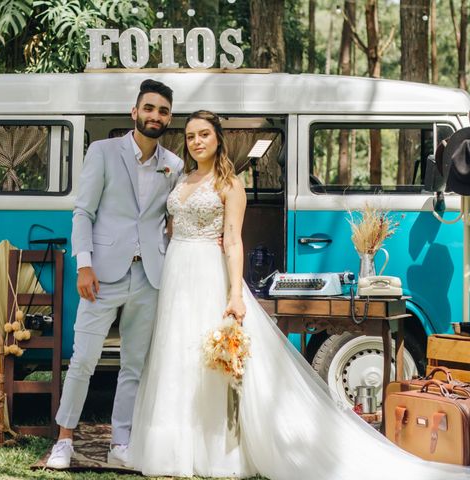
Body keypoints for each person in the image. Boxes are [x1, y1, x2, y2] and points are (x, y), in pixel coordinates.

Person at [128, 110, 470, 479]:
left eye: (204, 135)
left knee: (211, 361)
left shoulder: (230, 185)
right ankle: (175, 446)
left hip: (206, 272)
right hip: (177, 270)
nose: (196, 141)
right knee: (174, 354)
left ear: (218, 139)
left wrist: (235, 294)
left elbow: (232, 242)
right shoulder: (182, 178)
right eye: (191, 135)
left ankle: (215, 448)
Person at [46, 79, 183, 469]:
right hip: (102, 274)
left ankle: (121, 441)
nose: (155, 116)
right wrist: (84, 263)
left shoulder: (173, 165)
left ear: (168, 118)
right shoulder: (102, 152)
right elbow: (83, 212)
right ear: (135, 112)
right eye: (150, 108)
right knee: (84, 359)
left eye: (163, 111)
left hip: (150, 278)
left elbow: (167, 220)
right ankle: (65, 439)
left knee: (134, 365)